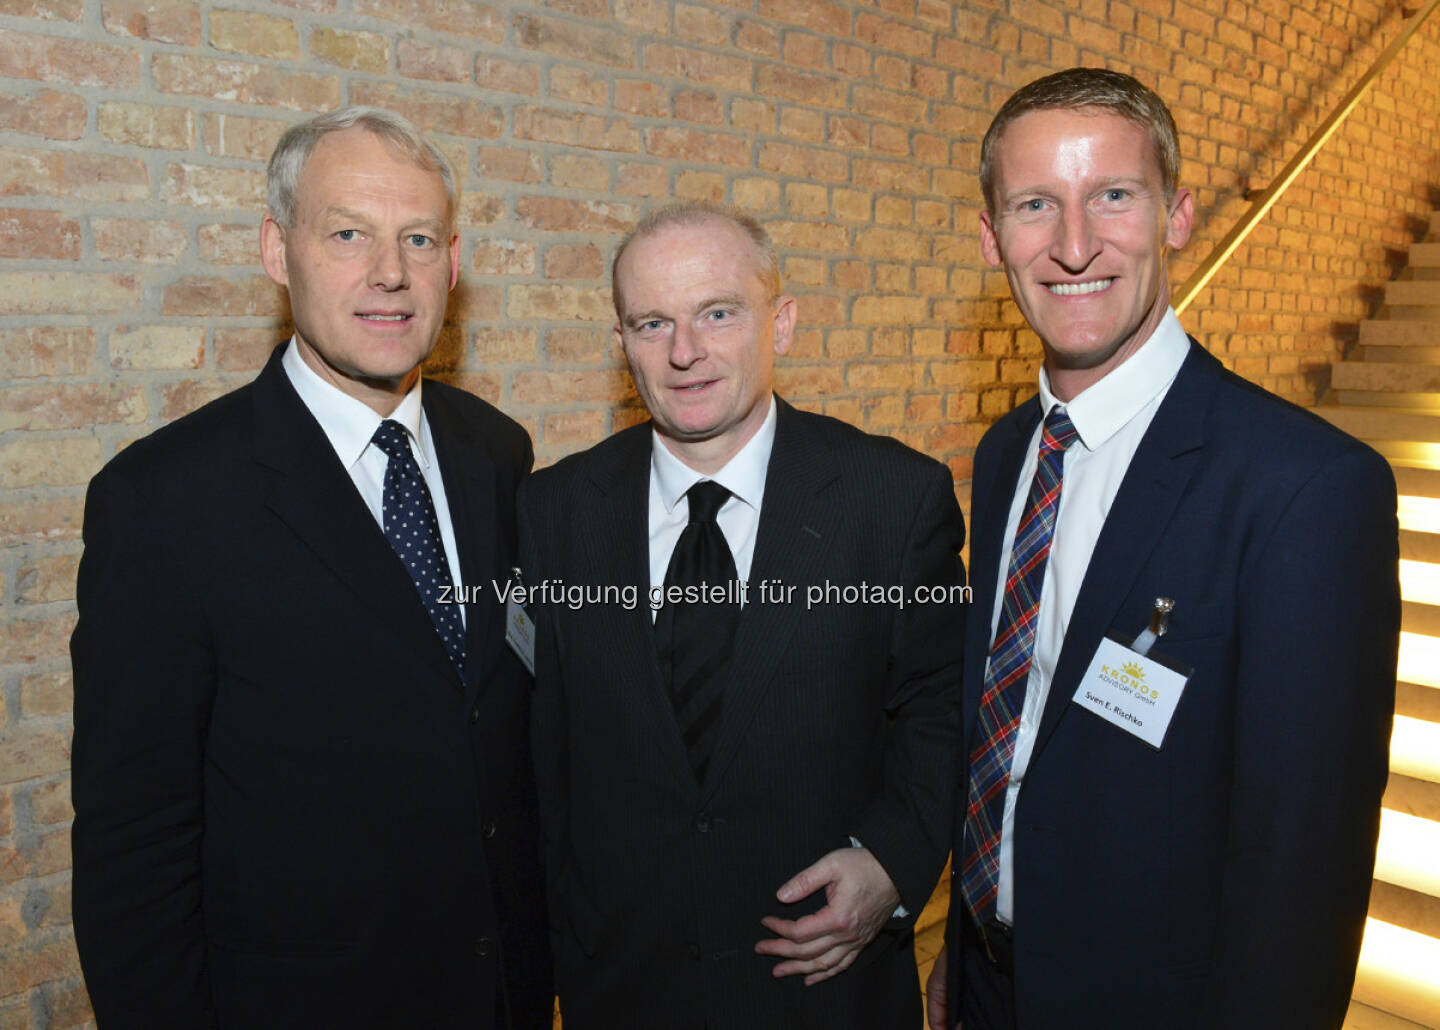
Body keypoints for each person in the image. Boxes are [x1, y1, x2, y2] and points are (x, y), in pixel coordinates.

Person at [925, 68, 1400, 1030]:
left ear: (1177, 215)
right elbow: (1012, 739)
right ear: (990, 239)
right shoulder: (1008, 449)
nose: (1073, 245)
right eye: (1033, 205)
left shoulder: (1303, 488)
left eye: (1112, 195)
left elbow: (1301, 865)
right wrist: (968, 952)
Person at [70, 106, 551, 1029]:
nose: (391, 273)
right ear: (274, 250)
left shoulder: (497, 453)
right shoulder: (164, 502)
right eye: (347, 235)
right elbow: (137, 851)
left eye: (419, 238)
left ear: (454, 263)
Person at [519, 201, 966, 1029]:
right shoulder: (553, 513)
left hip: (827, 985)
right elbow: (542, 754)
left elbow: (941, 708)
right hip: (623, 988)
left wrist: (894, 864)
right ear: (621, 346)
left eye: (717, 313)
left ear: (782, 323)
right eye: (652, 323)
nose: (684, 352)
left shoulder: (894, 501)